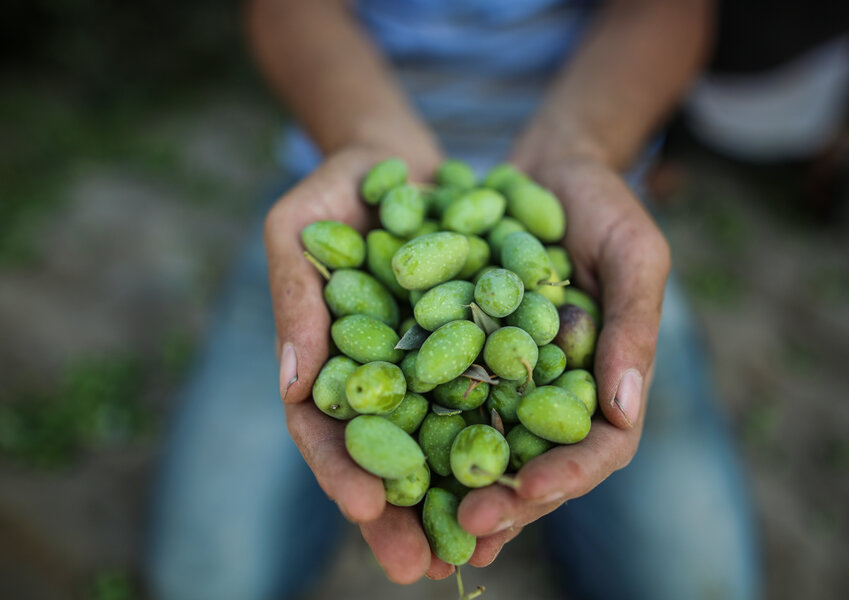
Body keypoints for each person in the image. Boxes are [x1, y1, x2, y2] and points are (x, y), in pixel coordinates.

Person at [146, 1, 760, 598]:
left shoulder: (525, 297)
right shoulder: (391, 268)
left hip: (582, 204)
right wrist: (362, 135)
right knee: (202, 580)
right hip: (346, 179)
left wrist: (582, 148)